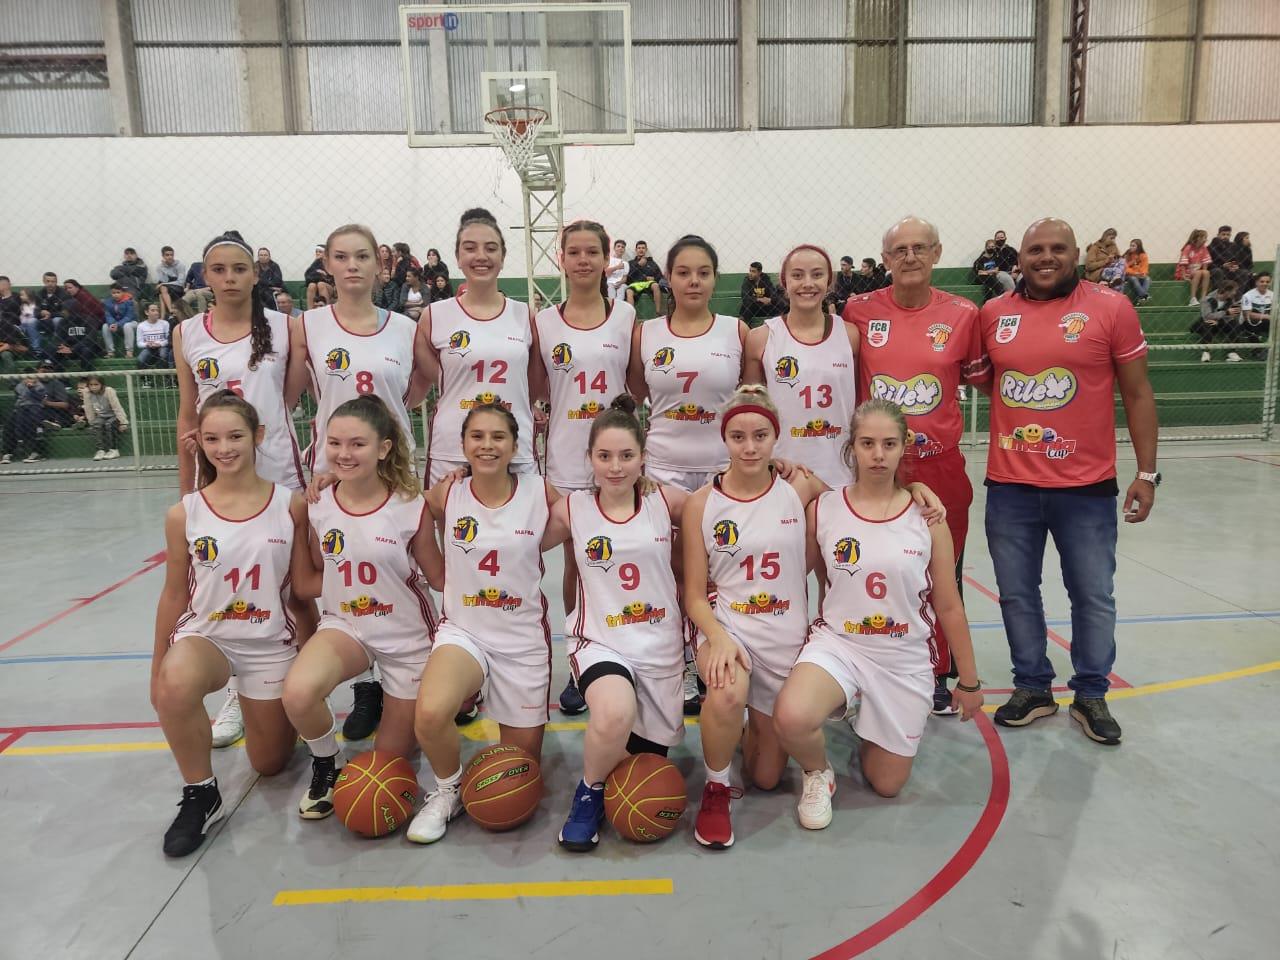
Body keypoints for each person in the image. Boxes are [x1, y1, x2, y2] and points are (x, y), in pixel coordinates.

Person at [977, 218, 1158, 747]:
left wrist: (1146, 473)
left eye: (1058, 248)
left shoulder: (1110, 308)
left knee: (1093, 595)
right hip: (1010, 485)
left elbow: (1139, 394)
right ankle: (1032, 686)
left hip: (1086, 487)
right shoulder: (993, 314)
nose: (1046, 257)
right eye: (1036, 249)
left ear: (1077, 253)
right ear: (1021, 256)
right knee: (1016, 593)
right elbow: (988, 384)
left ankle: (1091, 692)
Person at [773, 399, 984, 827]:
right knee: (792, 718)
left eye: (889, 444)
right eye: (867, 443)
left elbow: (947, 604)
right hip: (840, 644)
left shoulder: (928, 518)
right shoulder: (825, 509)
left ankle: (861, 713)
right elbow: (796, 574)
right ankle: (818, 773)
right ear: (852, 446)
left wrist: (969, 680)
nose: (878, 454)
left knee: (886, 784)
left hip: (902, 658)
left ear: (905, 446)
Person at [150, 390, 311, 857]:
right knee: (174, 685)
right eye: (213, 438)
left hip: (269, 644)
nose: (224, 448)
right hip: (209, 637)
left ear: (258, 436)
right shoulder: (185, 512)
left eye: (235, 435)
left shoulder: (291, 505)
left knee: (271, 762)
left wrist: (313, 659)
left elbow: (300, 591)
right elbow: (174, 592)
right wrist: (157, 664)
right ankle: (201, 792)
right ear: (198, 441)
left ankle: (260, 704)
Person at [844, 215, 989, 714]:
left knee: (941, 575)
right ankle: (867, 666)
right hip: (877, 469)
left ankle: (941, 674)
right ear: (884, 259)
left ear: (937, 253)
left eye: (919, 248)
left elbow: (983, 381)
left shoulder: (964, 314)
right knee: (874, 571)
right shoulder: (857, 311)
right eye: (899, 249)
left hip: (941, 467)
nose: (910, 257)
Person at [175, 230, 313, 748]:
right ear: (205, 277)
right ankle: (239, 685)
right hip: (219, 475)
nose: (230, 278)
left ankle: (302, 679)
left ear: (256, 274)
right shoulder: (187, 332)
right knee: (233, 583)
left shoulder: (284, 326)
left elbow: (291, 393)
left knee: (295, 580)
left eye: (239, 268)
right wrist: (186, 488)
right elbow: (188, 414)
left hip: (276, 466)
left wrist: (268, 430)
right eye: (219, 270)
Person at [296, 224, 427, 739]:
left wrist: (382, 436)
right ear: (327, 264)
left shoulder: (403, 327)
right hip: (338, 469)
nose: (352, 266)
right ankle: (365, 682)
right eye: (342, 257)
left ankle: (418, 663)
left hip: (395, 467)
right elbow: (298, 390)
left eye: (363, 257)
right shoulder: (306, 326)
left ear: (381, 266)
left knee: (402, 567)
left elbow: (415, 389)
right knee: (345, 572)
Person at [681, 386, 827, 848]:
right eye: (739, 436)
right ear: (724, 438)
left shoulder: (799, 488)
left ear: (775, 438)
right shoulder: (702, 504)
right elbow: (694, 596)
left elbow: (857, 503)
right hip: (729, 630)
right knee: (725, 692)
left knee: (766, 776)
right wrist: (717, 637)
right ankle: (716, 788)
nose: (749, 447)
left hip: (783, 639)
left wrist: (917, 490)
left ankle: (742, 732)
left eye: (760, 436)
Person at [542, 395, 690, 851]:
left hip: (660, 648)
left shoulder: (668, 501)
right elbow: (510, 533)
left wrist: (787, 472)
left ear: (643, 456)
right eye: (604, 456)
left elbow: (737, 501)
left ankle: (605, 776)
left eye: (627, 455)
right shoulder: (573, 509)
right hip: (600, 642)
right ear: (589, 458)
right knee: (613, 713)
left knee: (643, 769)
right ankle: (586, 793)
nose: (615, 467)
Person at [406, 403, 557, 844]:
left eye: (497, 437)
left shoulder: (540, 492)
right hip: (465, 631)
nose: (487, 445)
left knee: (517, 769)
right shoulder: (446, 494)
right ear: (463, 444)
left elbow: (599, 510)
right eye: (477, 436)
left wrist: (642, 485)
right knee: (431, 713)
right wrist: (326, 484)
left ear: (515, 445)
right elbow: (391, 504)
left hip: (523, 639)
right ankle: (447, 790)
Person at [283, 396, 441, 818]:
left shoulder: (410, 505)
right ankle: (327, 762)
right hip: (347, 627)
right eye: (334, 443)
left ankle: (417, 700)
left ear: (384, 448)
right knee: (297, 693)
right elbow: (311, 578)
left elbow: (441, 578)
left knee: (385, 770)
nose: (344, 454)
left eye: (357, 444)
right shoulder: (318, 505)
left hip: (406, 639)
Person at [629, 235, 748, 716]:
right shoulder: (647, 333)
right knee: (673, 574)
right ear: (669, 279)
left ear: (715, 278)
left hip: (724, 473)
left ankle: (717, 660)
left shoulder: (737, 332)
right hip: (664, 472)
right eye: (683, 272)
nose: (693, 280)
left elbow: (750, 402)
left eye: (703, 272)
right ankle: (677, 663)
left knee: (723, 575)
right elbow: (634, 396)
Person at [533, 220, 637, 713]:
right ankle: (581, 659)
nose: (582, 260)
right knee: (579, 562)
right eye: (573, 252)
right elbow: (535, 388)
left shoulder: (626, 318)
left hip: (618, 461)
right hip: (567, 461)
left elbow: (636, 385)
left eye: (591, 251)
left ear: (605, 259)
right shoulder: (544, 323)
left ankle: (630, 652)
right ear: (561, 258)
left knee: (626, 558)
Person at [417, 207, 536, 485]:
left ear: (503, 258)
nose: (481, 256)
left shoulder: (525, 315)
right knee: (452, 528)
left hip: (513, 447)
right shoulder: (433, 316)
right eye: (470, 248)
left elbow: (533, 383)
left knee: (519, 528)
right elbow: (437, 378)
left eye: (491, 248)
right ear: (458, 258)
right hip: (453, 447)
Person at [743, 244, 859, 489]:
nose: (807, 283)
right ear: (784, 282)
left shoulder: (849, 335)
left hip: (841, 472)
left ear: (829, 281)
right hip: (785, 472)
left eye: (817, 274)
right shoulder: (761, 338)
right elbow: (751, 411)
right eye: (797, 275)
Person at [0, 372, 47, 463]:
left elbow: (40, 399)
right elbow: (18, 399)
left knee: (29, 423)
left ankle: (35, 453)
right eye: (27, 377)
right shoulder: (19, 386)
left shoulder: (40, 386)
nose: (29, 380)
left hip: (34, 408)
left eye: (31, 377)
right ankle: (7, 453)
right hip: (20, 409)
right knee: (8, 426)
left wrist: (32, 388)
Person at [57, 280, 105, 370]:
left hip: (95, 323)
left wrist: (72, 349)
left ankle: (85, 378)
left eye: (70, 287)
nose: (67, 290)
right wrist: (63, 346)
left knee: (86, 350)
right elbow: (58, 337)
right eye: (66, 288)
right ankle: (60, 379)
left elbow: (90, 339)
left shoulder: (83, 298)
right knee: (55, 350)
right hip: (72, 343)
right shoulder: (63, 321)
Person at [80, 373, 128, 460]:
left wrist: (123, 422)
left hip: (113, 415)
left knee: (109, 424)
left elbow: (117, 407)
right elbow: (88, 408)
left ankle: (114, 450)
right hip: (102, 415)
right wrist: (91, 422)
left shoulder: (109, 391)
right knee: (97, 424)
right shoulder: (87, 392)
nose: (93, 387)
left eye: (96, 384)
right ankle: (100, 450)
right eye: (91, 385)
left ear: (102, 385)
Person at [1192, 280, 1243, 363]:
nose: (1235, 293)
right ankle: (1206, 352)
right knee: (1207, 324)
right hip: (1207, 322)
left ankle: (1232, 352)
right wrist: (1225, 312)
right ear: (1227, 291)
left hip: (1221, 323)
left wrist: (1219, 321)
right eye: (1234, 290)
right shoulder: (1207, 299)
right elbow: (1207, 316)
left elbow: (1230, 317)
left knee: (1234, 324)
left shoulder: (1230, 300)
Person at [625, 240, 665, 314]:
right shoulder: (630, 263)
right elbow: (628, 278)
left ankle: (658, 312)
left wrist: (654, 278)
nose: (641, 250)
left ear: (646, 250)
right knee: (629, 291)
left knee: (656, 285)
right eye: (639, 248)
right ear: (636, 250)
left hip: (648, 283)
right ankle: (631, 315)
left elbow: (660, 275)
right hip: (636, 284)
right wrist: (638, 265)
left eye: (643, 248)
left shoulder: (651, 262)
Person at [738, 262, 780, 329]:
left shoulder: (766, 280)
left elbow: (773, 293)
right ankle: (746, 328)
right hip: (753, 308)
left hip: (765, 307)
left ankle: (776, 328)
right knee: (746, 305)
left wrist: (770, 300)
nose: (750, 274)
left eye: (753, 271)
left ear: (759, 272)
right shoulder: (747, 281)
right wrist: (758, 299)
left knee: (778, 304)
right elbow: (745, 297)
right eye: (750, 271)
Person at [1240, 272, 1272, 359]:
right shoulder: (1248, 295)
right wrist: (1267, 316)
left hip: (1267, 322)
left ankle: (1268, 349)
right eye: (1262, 281)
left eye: (1267, 281)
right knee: (1253, 323)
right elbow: (1248, 315)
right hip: (1249, 323)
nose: (1265, 283)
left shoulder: (1272, 295)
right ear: (1256, 282)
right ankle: (1258, 350)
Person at [34, 272, 68, 354]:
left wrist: (50, 314)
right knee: (31, 322)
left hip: (57, 320)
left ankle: (57, 346)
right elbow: (35, 312)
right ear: (44, 281)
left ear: (56, 282)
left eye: (53, 281)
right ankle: (37, 350)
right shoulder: (39, 294)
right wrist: (41, 313)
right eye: (48, 281)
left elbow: (66, 313)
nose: (50, 284)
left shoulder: (63, 294)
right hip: (43, 320)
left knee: (57, 320)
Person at [101, 284, 138, 358]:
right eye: (113, 293)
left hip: (131, 323)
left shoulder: (129, 301)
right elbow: (108, 315)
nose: (116, 295)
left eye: (118, 292)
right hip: (115, 324)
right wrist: (112, 324)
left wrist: (117, 324)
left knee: (127, 326)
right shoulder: (108, 302)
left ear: (122, 292)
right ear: (111, 293)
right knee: (105, 326)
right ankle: (110, 352)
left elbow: (129, 316)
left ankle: (129, 351)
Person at [1177, 229, 1213, 305]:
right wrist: (1184, 276)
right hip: (1187, 272)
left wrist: (1204, 273)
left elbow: (1205, 262)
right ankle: (1192, 298)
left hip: (1197, 271)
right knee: (1198, 273)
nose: (1206, 240)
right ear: (1198, 238)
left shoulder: (1203, 248)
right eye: (1204, 238)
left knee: (1206, 272)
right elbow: (1183, 263)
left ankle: (1203, 297)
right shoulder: (1188, 248)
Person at [136, 302, 174, 370]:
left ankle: (166, 378)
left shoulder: (164, 323)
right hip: (149, 348)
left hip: (162, 347)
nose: (156, 312)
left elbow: (168, 340)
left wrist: (159, 344)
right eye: (153, 310)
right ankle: (145, 379)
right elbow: (139, 343)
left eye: (157, 310)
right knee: (140, 359)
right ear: (146, 312)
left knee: (163, 355)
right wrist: (147, 344)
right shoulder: (141, 326)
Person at [154, 246, 187, 320]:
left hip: (178, 288)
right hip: (166, 290)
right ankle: (164, 317)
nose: (170, 257)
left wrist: (163, 284)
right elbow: (164, 280)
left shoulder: (180, 265)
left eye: (171, 255)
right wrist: (164, 268)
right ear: (163, 256)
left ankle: (167, 313)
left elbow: (180, 282)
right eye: (167, 255)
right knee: (161, 293)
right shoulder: (160, 267)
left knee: (163, 289)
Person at [304, 244, 335, 309]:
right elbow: (307, 275)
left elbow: (333, 277)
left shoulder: (331, 262)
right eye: (316, 252)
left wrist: (324, 274)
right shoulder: (315, 263)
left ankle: (325, 308)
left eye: (320, 252)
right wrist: (320, 275)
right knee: (311, 285)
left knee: (321, 284)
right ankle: (310, 309)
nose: (317, 253)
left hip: (331, 287)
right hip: (317, 284)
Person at [1123, 239, 1150, 304]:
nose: (1131, 247)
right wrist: (1134, 273)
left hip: (1139, 274)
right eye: (1130, 245)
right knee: (1133, 278)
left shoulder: (1143, 255)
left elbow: (1145, 267)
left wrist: (1143, 273)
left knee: (1148, 279)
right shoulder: (1127, 254)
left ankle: (1141, 298)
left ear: (1139, 247)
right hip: (1129, 275)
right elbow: (1124, 268)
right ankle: (1144, 296)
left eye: (1133, 246)